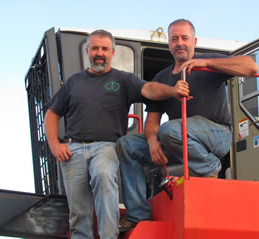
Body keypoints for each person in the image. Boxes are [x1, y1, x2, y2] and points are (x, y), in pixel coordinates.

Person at [44, 29, 190, 239]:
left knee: (103, 177)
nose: (99, 53)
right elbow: (52, 113)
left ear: (112, 52)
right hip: (73, 149)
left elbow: (148, 89)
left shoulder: (123, 80)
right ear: (88, 51)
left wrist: (172, 90)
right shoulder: (73, 82)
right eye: (95, 48)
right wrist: (55, 145)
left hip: (106, 146)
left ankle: (109, 236)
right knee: (78, 210)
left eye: (104, 48)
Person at [116, 19, 258, 232]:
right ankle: (137, 213)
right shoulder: (162, 78)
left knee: (170, 129)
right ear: (169, 44)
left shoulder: (209, 62)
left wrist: (207, 63)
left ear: (194, 41)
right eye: (174, 39)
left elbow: (251, 67)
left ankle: (210, 167)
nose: (179, 43)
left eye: (184, 38)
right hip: (179, 141)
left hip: (217, 136)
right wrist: (152, 141)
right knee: (127, 144)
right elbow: (152, 121)